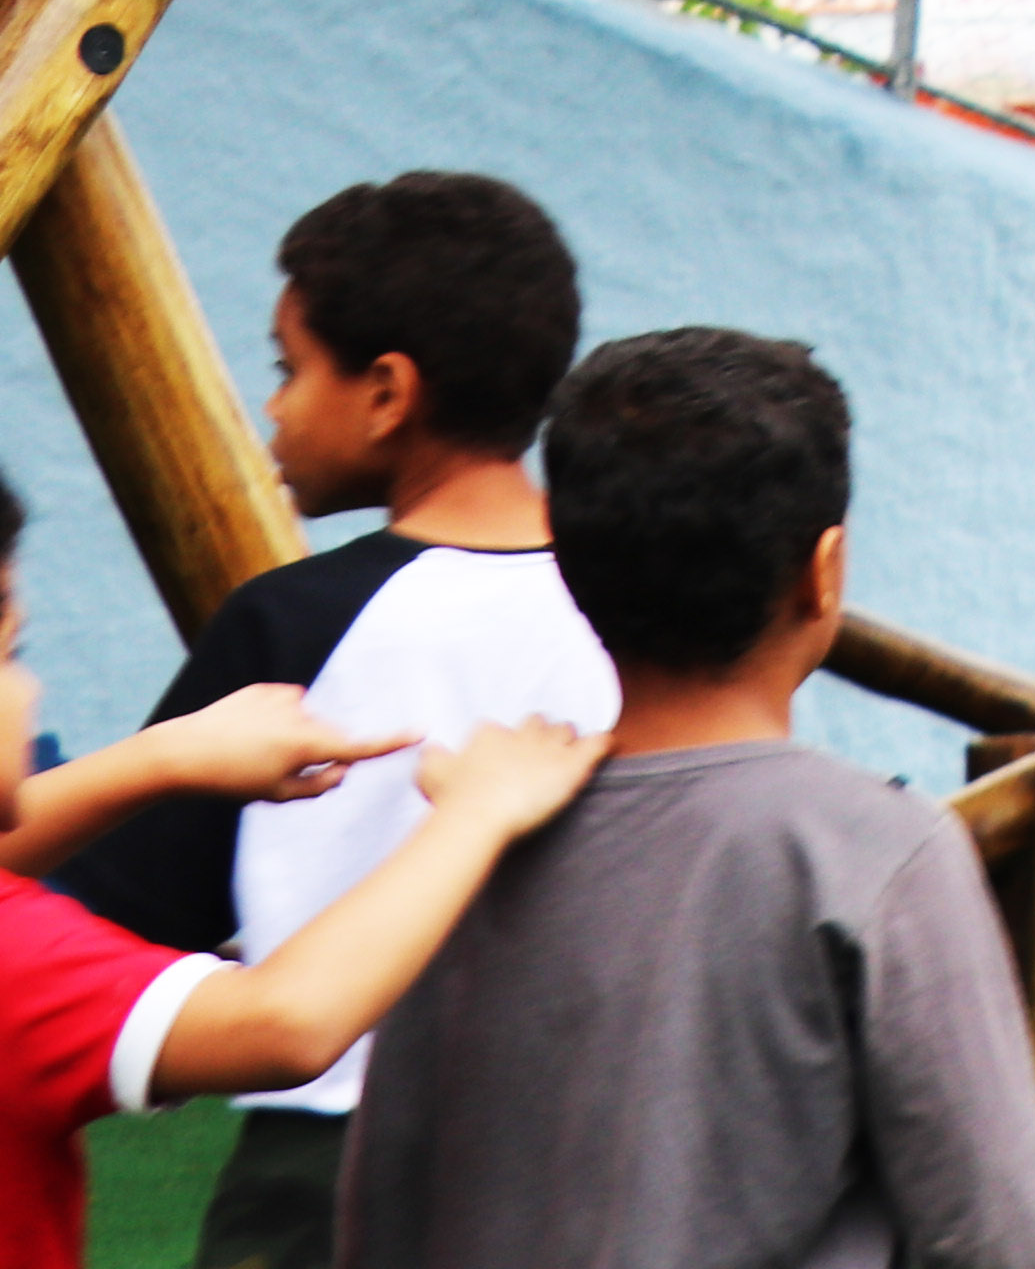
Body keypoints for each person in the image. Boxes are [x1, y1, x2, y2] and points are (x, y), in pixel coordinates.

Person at [332, 328, 1035, 1267]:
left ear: (569, 574)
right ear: (823, 571)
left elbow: (383, 1207)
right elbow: (1003, 1234)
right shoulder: (874, 851)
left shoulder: (461, 844)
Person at [46, 174, 616, 1269]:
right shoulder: (636, 608)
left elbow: (115, 914)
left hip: (325, 1176)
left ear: (387, 390)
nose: (271, 408)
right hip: (586, 1157)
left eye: (288, 367)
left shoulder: (291, 622)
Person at [0, 460, 593, 1269]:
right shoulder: (19, 959)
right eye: (9, 654)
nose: (30, 690)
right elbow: (286, 1023)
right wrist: (475, 812)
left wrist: (165, 756)